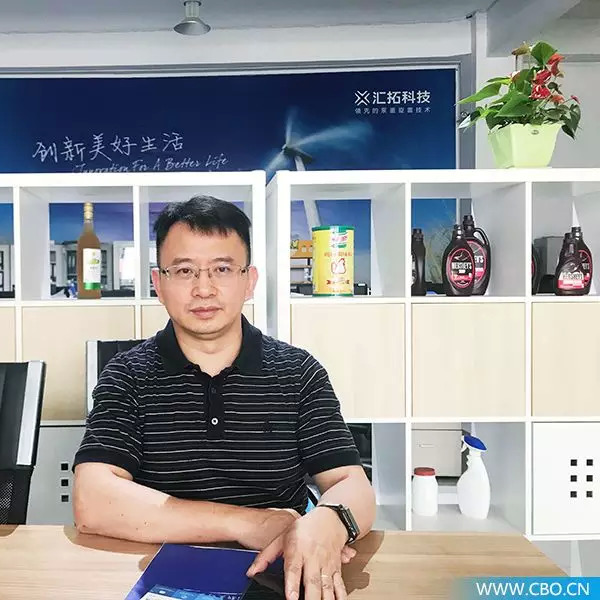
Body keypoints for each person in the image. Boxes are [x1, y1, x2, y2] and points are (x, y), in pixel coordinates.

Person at [73, 195, 376, 600]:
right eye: (184, 270)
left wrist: (329, 521)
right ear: (158, 283)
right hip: (161, 579)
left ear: (249, 281)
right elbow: (92, 502)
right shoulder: (127, 375)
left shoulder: (298, 372)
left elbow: (351, 484)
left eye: (222, 269)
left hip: (277, 576)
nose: (204, 289)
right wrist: (248, 523)